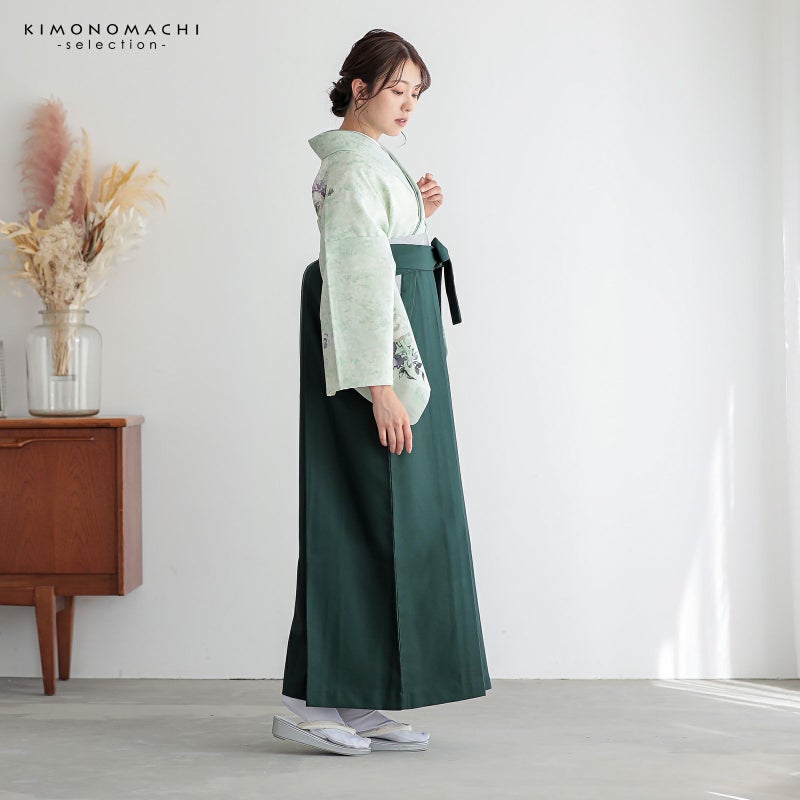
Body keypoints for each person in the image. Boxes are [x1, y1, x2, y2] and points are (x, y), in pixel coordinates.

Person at [272, 29, 491, 757]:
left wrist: (413, 209)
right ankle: (316, 700)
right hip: (371, 366)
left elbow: (380, 247)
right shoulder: (351, 167)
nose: (408, 105)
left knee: (391, 513)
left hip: (392, 349)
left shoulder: (371, 164)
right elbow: (360, 275)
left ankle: (359, 695)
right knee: (357, 512)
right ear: (359, 89)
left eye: (416, 93)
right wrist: (381, 387)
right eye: (397, 89)